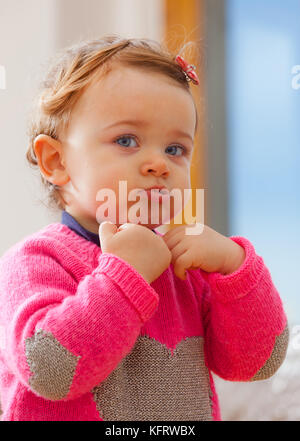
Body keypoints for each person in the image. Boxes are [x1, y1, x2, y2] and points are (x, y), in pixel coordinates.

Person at [0, 35, 288, 421]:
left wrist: (234, 268)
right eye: (126, 140)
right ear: (56, 161)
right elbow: (50, 370)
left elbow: (256, 363)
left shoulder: (186, 263)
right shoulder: (35, 262)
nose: (159, 164)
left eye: (175, 149)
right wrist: (125, 277)